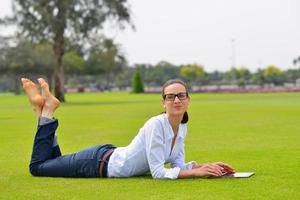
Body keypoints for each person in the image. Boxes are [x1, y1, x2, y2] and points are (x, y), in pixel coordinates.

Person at [22, 78, 235, 179]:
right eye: (170, 96)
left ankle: (42, 111)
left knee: (52, 162)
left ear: (188, 100)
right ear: (163, 103)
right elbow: (159, 173)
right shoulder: (156, 125)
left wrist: (206, 167)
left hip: (107, 156)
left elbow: (177, 164)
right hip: (97, 163)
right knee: (38, 167)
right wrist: (197, 174)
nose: (176, 100)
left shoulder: (182, 127)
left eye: (181, 95)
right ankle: (46, 110)